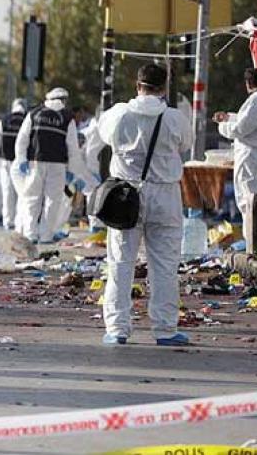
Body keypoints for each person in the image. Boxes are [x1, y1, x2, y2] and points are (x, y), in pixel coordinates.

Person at [96, 63, 193, 346]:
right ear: (164, 87)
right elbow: (185, 144)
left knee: (120, 263)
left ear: (136, 84)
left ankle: (117, 329)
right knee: (164, 266)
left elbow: (103, 136)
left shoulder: (118, 115)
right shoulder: (175, 118)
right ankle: (165, 329)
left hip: (126, 197)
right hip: (165, 196)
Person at [214, 68, 257, 239]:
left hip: (252, 159)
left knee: (249, 203)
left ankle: (253, 248)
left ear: (248, 84)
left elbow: (241, 128)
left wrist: (222, 126)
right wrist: (229, 117)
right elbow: (251, 120)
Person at [13, 87, 87, 243]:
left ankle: (30, 234)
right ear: (63, 100)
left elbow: (22, 138)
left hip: (35, 162)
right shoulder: (67, 118)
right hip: (57, 165)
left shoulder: (34, 113)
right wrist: (73, 171)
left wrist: (21, 159)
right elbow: (73, 148)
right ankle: (46, 236)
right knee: (52, 201)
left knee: (32, 199)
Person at [0, 98, 27, 230]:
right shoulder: (27, 119)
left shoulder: (4, 120)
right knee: (21, 192)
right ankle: (19, 220)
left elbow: (0, 135)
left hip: (5, 159)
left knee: (7, 191)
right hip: (21, 161)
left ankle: (7, 220)